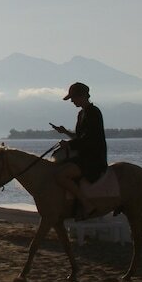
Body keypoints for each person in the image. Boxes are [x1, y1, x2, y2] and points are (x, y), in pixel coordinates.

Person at [51, 82, 107, 219]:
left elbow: (89, 139)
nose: (72, 101)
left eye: (73, 98)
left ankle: (87, 204)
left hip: (93, 159)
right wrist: (65, 132)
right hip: (83, 157)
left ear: (82, 96)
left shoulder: (93, 112)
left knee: (61, 175)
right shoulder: (81, 113)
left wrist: (69, 145)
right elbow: (80, 137)